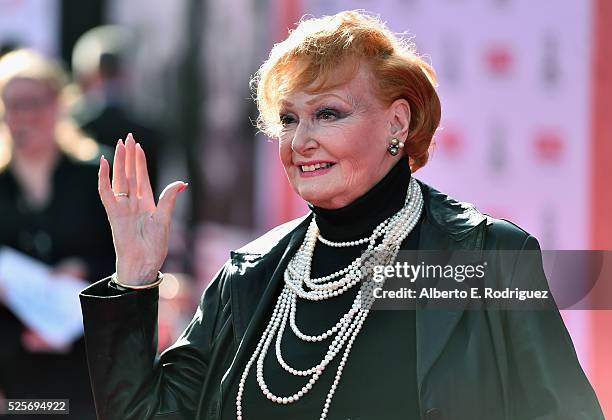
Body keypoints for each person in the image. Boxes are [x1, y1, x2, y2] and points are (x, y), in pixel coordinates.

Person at [79, 11, 604, 420]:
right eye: (288, 119)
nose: (301, 142)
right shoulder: (251, 275)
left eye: (327, 113)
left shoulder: (485, 257)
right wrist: (134, 277)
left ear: (397, 122)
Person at [0, 49, 115, 419]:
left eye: (34, 103)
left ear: (59, 103)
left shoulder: (96, 176)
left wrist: (84, 268)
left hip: (88, 363)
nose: (23, 116)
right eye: (12, 105)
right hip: (11, 369)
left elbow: (132, 257)